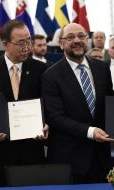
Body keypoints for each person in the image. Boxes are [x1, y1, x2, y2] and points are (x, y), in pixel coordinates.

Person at [0, 19, 48, 187]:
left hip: (31, 152)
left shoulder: (42, 69)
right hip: (0, 153)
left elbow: (49, 105)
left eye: (28, 41)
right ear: (5, 44)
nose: (26, 47)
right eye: (21, 43)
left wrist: (46, 124)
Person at [42, 23, 113, 184]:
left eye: (81, 36)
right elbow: (56, 118)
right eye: (70, 37)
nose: (77, 40)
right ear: (61, 43)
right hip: (70, 162)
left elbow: (108, 107)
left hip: (101, 159)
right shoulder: (51, 76)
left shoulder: (102, 68)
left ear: (87, 40)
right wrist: (91, 131)